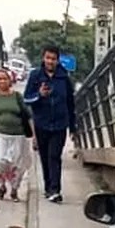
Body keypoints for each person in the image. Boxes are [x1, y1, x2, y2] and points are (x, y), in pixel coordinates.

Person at [23, 46, 75, 203]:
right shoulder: (36, 76)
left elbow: (70, 103)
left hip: (59, 124)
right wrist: (39, 95)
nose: (50, 61)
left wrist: (73, 127)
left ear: (58, 60)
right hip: (41, 124)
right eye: (48, 58)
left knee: (55, 156)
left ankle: (55, 190)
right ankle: (48, 187)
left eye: (53, 59)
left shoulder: (64, 78)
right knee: (45, 157)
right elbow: (26, 99)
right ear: (43, 58)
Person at [0, 67, 32, 200]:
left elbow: (28, 116)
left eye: (5, 78)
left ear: (10, 80)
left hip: (18, 135)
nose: (2, 81)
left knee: (17, 164)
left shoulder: (17, 96)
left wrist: (34, 137)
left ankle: (14, 189)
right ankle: (2, 185)